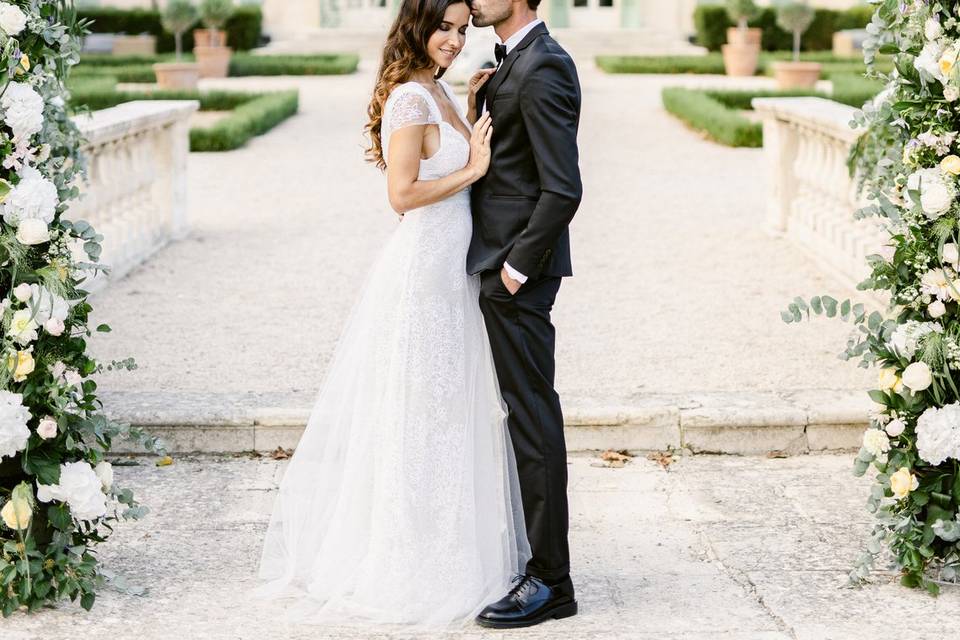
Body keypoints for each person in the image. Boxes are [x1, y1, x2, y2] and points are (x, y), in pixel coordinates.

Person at [254, 0, 533, 629]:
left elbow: (445, 155)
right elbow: (401, 196)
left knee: (449, 410)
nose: (456, 41)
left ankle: (455, 546)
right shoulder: (408, 97)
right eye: (444, 28)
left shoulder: (435, 89)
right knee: (419, 413)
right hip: (424, 271)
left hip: (450, 272)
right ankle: (411, 560)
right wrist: (473, 169)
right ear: (417, 24)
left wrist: (469, 109)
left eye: (462, 30)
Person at [467, 0, 583, 628]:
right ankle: (534, 560)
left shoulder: (544, 67)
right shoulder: (514, 63)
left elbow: (564, 186)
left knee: (533, 420)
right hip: (499, 266)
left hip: (517, 275)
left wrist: (515, 269)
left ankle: (551, 581)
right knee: (520, 415)